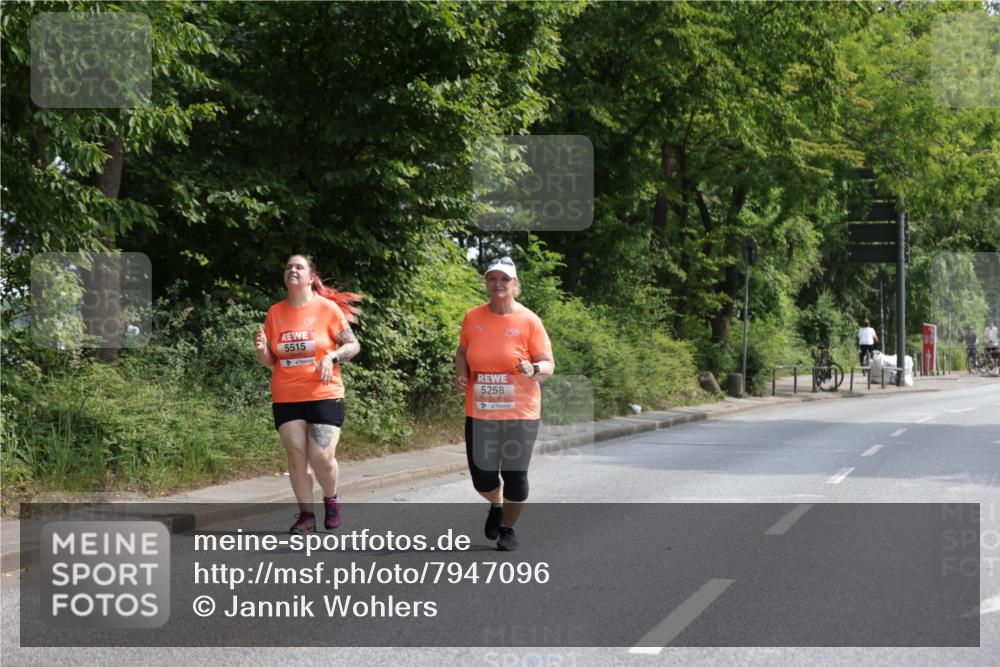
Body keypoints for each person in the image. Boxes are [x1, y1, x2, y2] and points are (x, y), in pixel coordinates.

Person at [254, 255, 361, 534]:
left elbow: (353, 345)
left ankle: (331, 498)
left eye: (299, 266)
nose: (292, 270)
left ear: (311, 276)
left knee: (321, 457)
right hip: (287, 395)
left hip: (324, 393)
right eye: (288, 266)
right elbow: (270, 360)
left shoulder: (327, 309)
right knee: (295, 455)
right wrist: (262, 349)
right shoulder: (275, 312)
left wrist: (332, 357)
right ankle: (306, 516)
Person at [455, 257, 554, 551]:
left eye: (504, 279)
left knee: (515, 474)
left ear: (515, 285)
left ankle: (508, 528)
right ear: (486, 283)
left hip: (520, 413)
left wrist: (533, 369)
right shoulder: (473, 317)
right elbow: (462, 351)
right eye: (492, 278)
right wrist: (461, 372)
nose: (498, 284)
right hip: (480, 410)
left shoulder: (529, 320)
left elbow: (548, 364)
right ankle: (496, 505)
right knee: (482, 477)